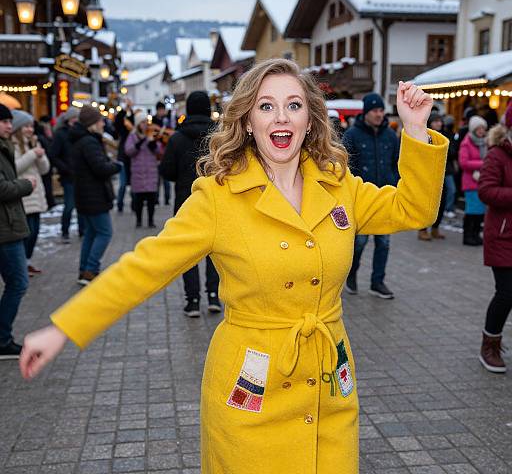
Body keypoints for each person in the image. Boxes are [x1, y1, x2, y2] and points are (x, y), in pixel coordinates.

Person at [20, 60, 447, 474]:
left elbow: (415, 209)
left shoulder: (339, 186)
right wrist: (65, 328)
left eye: (294, 105)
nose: (281, 116)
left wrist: (413, 130)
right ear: (246, 121)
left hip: (328, 386)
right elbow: (144, 268)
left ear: (311, 121)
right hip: (252, 390)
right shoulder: (217, 199)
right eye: (266, 106)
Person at [160, 91, 221, 316]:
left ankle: (193, 300)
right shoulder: (220, 137)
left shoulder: (177, 137)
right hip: (217, 200)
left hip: (186, 199)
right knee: (216, 249)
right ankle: (214, 296)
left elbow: (166, 170)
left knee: (188, 253)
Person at [342, 92, 400, 299]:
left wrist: (395, 182)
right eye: (375, 110)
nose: (379, 114)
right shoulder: (352, 135)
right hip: (362, 199)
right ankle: (351, 273)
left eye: (381, 110)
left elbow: (396, 162)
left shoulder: (390, 135)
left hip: (386, 197)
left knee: (384, 243)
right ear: (366, 112)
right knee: (359, 243)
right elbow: (344, 167)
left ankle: (377, 282)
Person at [70, 105, 121, 286]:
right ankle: (90, 270)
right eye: (100, 120)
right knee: (105, 233)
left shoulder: (82, 140)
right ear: (92, 123)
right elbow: (100, 168)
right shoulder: (89, 142)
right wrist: (116, 166)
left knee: (92, 233)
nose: (102, 123)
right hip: (94, 196)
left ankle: (84, 270)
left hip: (86, 195)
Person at [477, 106, 512, 373]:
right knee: (506, 293)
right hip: (503, 235)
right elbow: (486, 191)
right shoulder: (497, 155)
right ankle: (489, 344)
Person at [0, 104, 35, 359]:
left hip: (8, 224)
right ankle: (2, 339)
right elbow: (2, 189)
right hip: (5, 227)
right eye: (4, 122)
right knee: (18, 283)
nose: (9, 126)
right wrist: (26, 184)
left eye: (10, 122)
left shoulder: (4, 147)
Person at [11, 110, 50, 275]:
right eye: (26, 126)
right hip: (23, 197)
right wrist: (32, 154)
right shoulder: (12, 145)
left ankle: (26, 262)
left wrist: (40, 156)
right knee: (27, 233)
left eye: (31, 126)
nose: (30, 130)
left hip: (36, 195)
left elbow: (45, 169)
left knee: (34, 233)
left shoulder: (32, 143)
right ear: (18, 128)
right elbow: (15, 168)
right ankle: (20, 265)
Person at [50, 107, 85, 243]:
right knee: (69, 205)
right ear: (69, 119)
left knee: (82, 205)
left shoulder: (80, 133)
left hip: (81, 175)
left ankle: (83, 230)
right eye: (75, 118)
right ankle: (65, 231)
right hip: (68, 176)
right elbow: (53, 155)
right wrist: (65, 168)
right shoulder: (60, 134)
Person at [125, 112, 162, 228]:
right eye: (142, 122)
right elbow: (128, 151)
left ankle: (151, 221)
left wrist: (152, 144)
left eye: (146, 122)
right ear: (137, 124)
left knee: (151, 199)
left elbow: (159, 152)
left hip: (151, 172)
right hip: (138, 173)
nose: (145, 124)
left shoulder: (151, 135)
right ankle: (139, 220)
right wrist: (140, 142)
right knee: (138, 200)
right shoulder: (132, 136)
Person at [459, 115, 488, 246]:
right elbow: (463, 163)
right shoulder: (466, 142)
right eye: (479, 128)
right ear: (473, 129)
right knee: (472, 210)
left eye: (483, 128)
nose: (482, 131)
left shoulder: (485, 142)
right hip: (470, 182)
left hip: (482, 181)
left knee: (480, 211)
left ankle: (476, 235)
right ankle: (467, 236)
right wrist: (483, 164)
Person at [418, 113, 447, 240]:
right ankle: (422, 229)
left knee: (442, 201)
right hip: (427, 174)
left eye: (440, 121)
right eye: (435, 121)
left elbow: (451, 152)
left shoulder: (444, 136)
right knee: (426, 203)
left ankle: (436, 227)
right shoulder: (424, 136)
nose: (438, 124)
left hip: (443, 173)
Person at [113, 100, 134, 213]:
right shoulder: (122, 129)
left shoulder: (133, 130)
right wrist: (124, 110)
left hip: (132, 158)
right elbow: (117, 123)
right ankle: (120, 204)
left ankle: (134, 205)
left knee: (132, 184)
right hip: (122, 158)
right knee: (123, 184)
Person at [153, 101, 171, 206]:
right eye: (160, 110)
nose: (162, 112)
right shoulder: (153, 121)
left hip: (166, 152)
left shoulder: (167, 120)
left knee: (166, 179)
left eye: (163, 110)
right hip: (156, 153)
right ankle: (156, 198)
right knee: (157, 179)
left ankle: (167, 198)